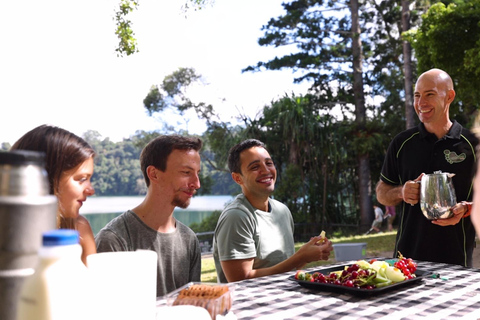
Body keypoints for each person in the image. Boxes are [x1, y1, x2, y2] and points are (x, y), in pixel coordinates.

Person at [376, 68, 478, 267]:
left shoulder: (474, 144)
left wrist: (466, 209)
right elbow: (382, 193)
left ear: (449, 96)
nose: (420, 103)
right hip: (406, 261)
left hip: (456, 262)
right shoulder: (401, 143)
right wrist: (401, 192)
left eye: (429, 94)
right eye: (417, 96)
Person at [95, 135, 202, 297]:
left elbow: (193, 305)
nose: (197, 183)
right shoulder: (114, 240)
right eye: (186, 172)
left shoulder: (189, 239)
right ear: (154, 174)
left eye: (197, 173)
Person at [213, 139, 333, 283]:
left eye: (269, 163)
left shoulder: (282, 211)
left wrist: (309, 254)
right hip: (249, 304)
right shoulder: (236, 217)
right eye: (255, 167)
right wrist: (301, 256)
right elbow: (240, 281)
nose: (266, 170)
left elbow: (285, 268)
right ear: (237, 178)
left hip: (285, 298)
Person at [11, 124, 96, 265]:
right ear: (46, 178)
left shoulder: (79, 230)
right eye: (81, 179)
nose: (91, 190)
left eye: (89, 179)